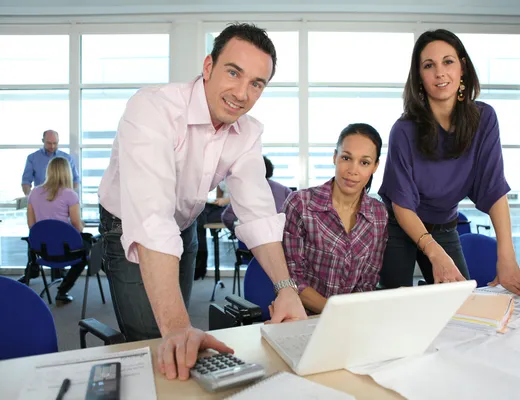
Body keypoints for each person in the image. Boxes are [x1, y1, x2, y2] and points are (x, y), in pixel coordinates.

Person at [97, 23, 307, 381]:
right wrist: (176, 327)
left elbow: (257, 213)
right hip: (128, 225)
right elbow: (151, 220)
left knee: (184, 342)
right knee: (156, 338)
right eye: (233, 72)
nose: (242, 93)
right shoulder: (152, 108)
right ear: (208, 67)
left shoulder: (248, 131)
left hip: (185, 223)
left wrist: (285, 289)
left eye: (256, 83)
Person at [378, 29, 520, 297]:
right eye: (429, 65)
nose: (440, 72)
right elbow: (402, 203)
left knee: (460, 301)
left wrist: (507, 254)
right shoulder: (403, 130)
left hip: (445, 225)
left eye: (448, 61)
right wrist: (434, 253)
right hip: (399, 226)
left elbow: (493, 187)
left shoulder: (484, 119)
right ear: (419, 76)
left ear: (462, 67)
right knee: (394, 304)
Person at [282, 123, 388, 315]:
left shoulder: (379, 214)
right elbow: (292, 279)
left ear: (375, 166)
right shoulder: (300, 204)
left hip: (351, 319)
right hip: (301, 315)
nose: (352, 170)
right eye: (346, 158)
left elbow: (368, 281)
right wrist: (336, 313)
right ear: (334, 157)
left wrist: (348, 317)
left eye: (364, 162)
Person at [26, 157, 87, 302]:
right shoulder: (70, 195)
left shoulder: (34, 193)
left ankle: (56, 280)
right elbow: (77, 226)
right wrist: (82, 224)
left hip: (42, 251)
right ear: (67, 173)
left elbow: (31, 225)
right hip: (67, 253)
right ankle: (63, 290)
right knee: (87, 251)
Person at [221, 156, 292, 232]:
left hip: (253, 236)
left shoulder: (244, 191)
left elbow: (227, 217)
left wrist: (235, 230)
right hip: (280, 235)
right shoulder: (285, 190)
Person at [21, 130, 80, 196]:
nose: (52, 146)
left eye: (55, 143)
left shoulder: (67, 158)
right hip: (41, 198)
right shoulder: (32, 158)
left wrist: (68, 195)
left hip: (63, 200)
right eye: (49, 143)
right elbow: (26, 182)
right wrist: (30, 198)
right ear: (43, 141)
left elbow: (76, 180)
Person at [194, 181, 230, 280]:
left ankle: (199, 264)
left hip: (232, 208)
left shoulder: (242, 174)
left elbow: (242, 197)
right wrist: (218, 201)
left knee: (199, 219)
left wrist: (226, 201)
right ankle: (200, 264)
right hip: (221, 207)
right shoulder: (224, 173)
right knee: (200, 212)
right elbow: (220, 192)